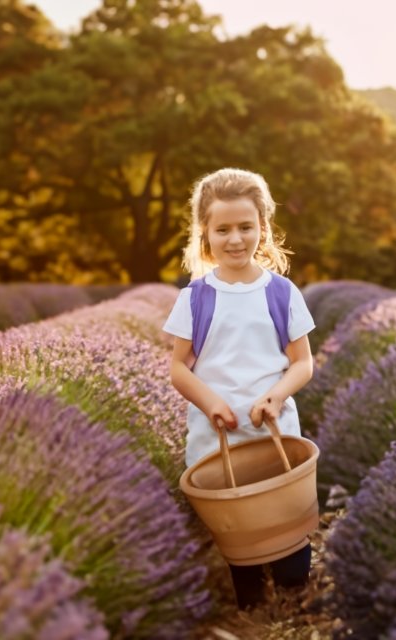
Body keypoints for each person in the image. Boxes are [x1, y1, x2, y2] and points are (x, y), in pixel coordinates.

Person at [163, 167, 316, 610]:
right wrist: (211, 403)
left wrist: (276, 395)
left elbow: (302, 361)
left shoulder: (282, 292)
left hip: (274, 431)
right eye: (223, 229)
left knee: (290, 542)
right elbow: (178, 368)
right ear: (205, 233)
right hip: (219, 437)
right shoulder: (195, 297)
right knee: (241, 544)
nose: (235, 239)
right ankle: (253, 614)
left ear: (263, 229)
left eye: (246, 227)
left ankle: (296, 610)